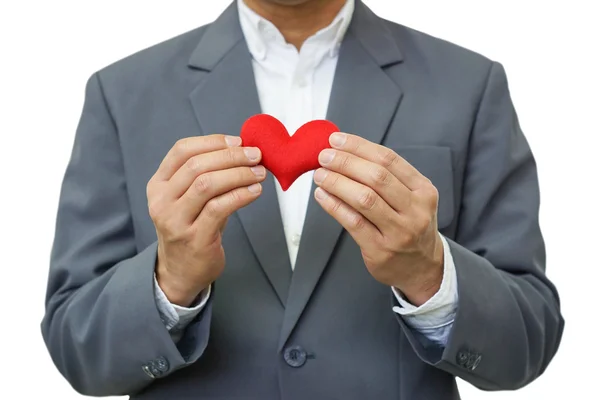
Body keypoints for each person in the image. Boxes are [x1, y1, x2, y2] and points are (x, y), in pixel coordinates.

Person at [41, 0, 565, 398]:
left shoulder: (470, 86)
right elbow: (75, 346)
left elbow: (529, 339)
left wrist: (430, 274)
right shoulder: (122, 93)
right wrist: (171, 281)